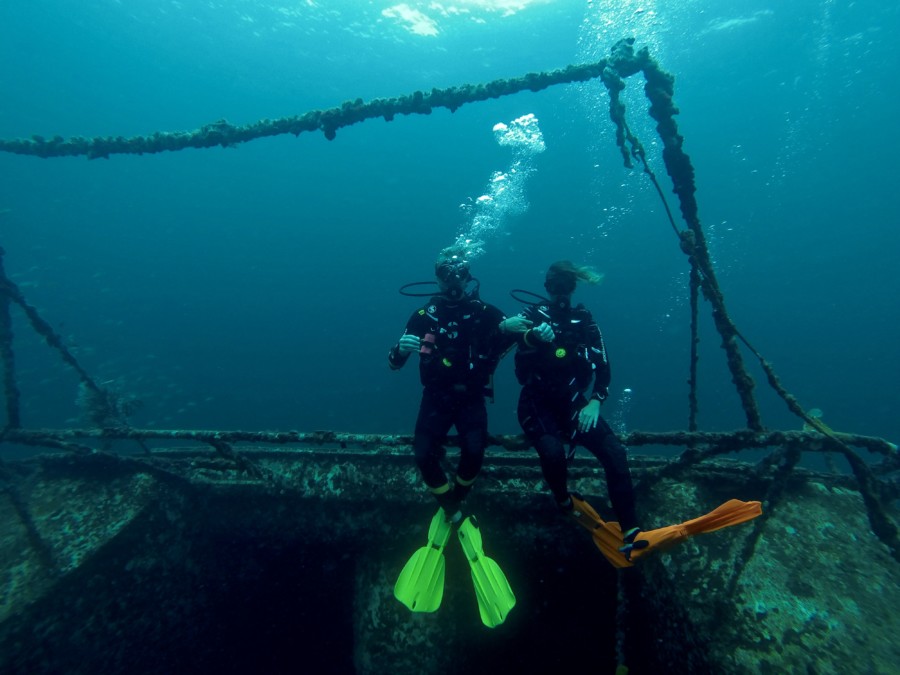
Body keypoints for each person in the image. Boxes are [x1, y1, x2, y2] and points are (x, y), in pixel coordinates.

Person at [388, 252, 530, 523]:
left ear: (467, 277)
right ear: (436, 278)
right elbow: (394, 364)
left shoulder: (485, 312)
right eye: (445, 273)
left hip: (471, 397)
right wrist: (399, 350)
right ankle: (452, 509)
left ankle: (456, 502)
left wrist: (506, 328)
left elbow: (518, 337)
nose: (453, 280)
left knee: (475, 451)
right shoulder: (422, 316)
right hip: (435, 397)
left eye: (460, 273)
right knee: (423, 453)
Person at [512, 260, 642, 551]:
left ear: (573, 288)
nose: (561, 293)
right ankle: (563, 500)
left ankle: (631, 529)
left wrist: (595, 402)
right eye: (556, 287)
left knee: (614, 452)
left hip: (574, 403)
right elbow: (507, 340)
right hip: (536, 402)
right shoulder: (533, 315)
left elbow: (603, 367)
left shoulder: (585, 320)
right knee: (553, 453)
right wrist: (531, 337)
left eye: (566, 286)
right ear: (547, 288)